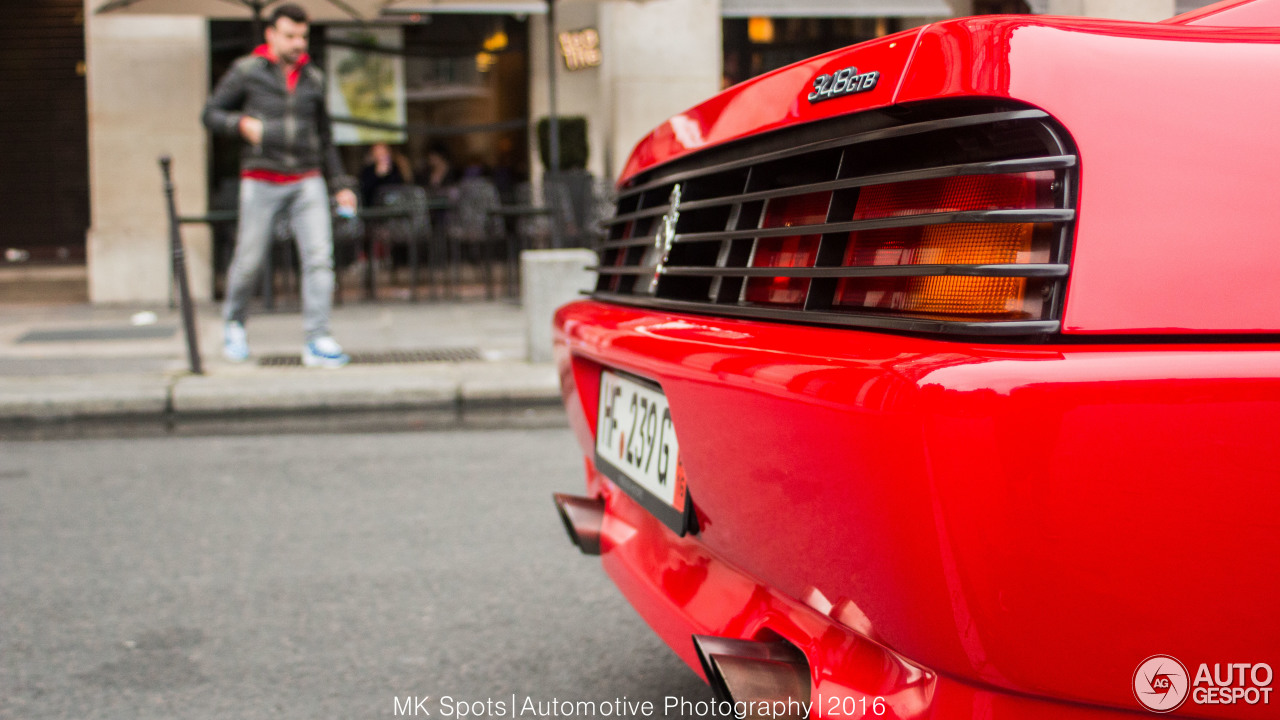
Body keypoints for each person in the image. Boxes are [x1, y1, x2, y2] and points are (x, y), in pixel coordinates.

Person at [202, 3, 356, 368]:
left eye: (302, 36)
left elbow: (325, 137)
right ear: (271, 35)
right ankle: (235, 323)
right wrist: (241, 124)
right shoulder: (246, 71)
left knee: (319, 259)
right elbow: (210, 114)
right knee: (249, 260)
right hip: (261, 178)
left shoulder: (313, 79)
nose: (298, 43)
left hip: (307, 177)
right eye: (290, 36)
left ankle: (317, 338)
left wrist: (339, 184)